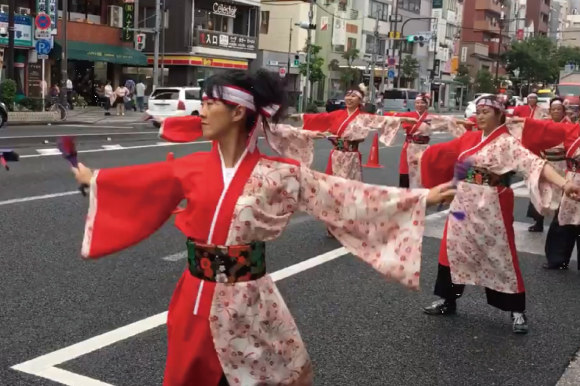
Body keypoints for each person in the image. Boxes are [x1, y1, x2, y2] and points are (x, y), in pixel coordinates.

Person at [71, 70, 456, 386]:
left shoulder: (278, 175)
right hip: (193, 296)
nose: (200, 111)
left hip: (248, 300)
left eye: (210, 103)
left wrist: (421, 199)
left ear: (238, 113)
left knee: (258, 376)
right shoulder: (189, 168)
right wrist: (94, 180)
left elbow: (345, 196)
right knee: (189, 375)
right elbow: (142, 184)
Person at [420, 95, 580, 334]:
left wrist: (564, 184)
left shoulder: (507, 142)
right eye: (479, 110)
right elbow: (443, 153)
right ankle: (447, 300)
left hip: (493, 200)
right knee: (453, 249)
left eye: (487, 111)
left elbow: (535, 164)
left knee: (499, 253)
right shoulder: (470, 138)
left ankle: (516, 310)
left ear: (499, 115)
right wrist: (423, 157)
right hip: (465, 200)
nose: (481, 115)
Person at [289, 84, 372, 180]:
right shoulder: (339, 114)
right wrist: (301, 116)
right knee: (334, 185)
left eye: (353, 96)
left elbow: (362, 135)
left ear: (360, 100)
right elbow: (321, 117)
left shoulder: (363, 117)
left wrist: (347, 137)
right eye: (347, 95)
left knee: (350, 187)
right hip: (336, 155)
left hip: (352, 156)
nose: (349, 98)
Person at [518, 97, 574, 233]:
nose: (556, 112)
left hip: (562, 164)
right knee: (540, 191)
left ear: (563, 111)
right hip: (545, 162)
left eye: (559, 109)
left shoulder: (569, 125)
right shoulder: (544, 123)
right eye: (553, 109)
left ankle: (558, 222)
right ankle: (538, 222)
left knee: (561, 196)